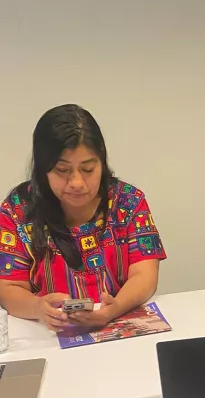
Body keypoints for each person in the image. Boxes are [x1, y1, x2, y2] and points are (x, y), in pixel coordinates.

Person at [0, 105, 165, 332]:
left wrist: (113, 309)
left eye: (87, 169)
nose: (77, 182)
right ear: (43, 170)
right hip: (48, 335)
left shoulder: (128, 202)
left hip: (117, 327)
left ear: (102, 163)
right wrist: (38, 307)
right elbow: (8, 288)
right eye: (62, 170)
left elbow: (144, 275)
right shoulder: (18, 211)